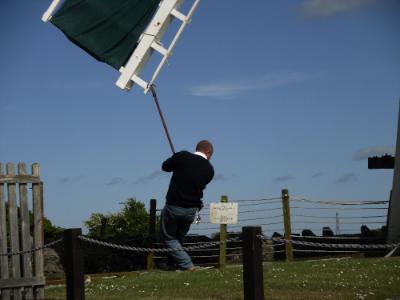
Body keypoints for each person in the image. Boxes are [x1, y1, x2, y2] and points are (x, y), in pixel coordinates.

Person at [160, 140, 214, 271]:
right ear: (208, 152)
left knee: (168, 237)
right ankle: (173, 264)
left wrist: (175, 160)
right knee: (178, 238)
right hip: (191, 210)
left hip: (174, 206)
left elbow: (165, 166)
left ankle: (187, 264)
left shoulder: (183, 156)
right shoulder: (209, 170)